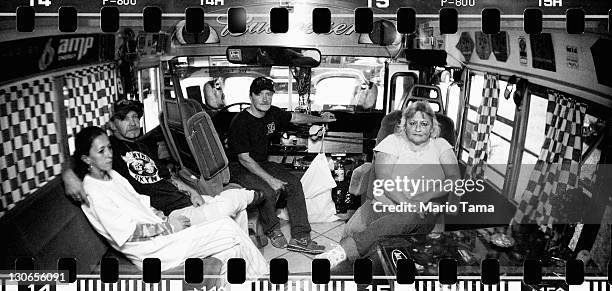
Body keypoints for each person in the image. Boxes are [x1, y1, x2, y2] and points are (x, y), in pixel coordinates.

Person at [73, 126, 268, 283]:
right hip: (151, 251)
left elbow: (140, 203)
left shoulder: (112, 175)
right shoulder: (93, 192)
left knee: (230, 250)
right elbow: (129, 233)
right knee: (227, 228)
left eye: (109, 147)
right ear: (86, 159)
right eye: (101, 151)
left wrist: (161, 216)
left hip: (162, 232)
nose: (108, 154)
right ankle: (264, 278)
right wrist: (169, 227)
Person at [62, 99, 261, 234]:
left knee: (239, 212)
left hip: (184, 200)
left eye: (135, 117)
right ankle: (248, 196)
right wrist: (67, 175)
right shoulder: (110, 149)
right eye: (124, 118)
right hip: (169, 212)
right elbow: (80, 155)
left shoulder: (142, 145)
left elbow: (168, 177)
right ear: (112, 125)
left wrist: (191, 191)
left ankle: (238, 263)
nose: (132, 122)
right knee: (231, 207)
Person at [315, 101, 461, 267]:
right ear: (404, 124)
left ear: (432, 126)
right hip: (386, 205)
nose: (418, 128)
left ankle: (344, 252)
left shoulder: (441, 145)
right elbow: (385, 179)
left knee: (409, 216)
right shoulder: (393, 141)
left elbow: (454, 179)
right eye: (413, 123)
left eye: (424, 123)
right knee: (382, 247)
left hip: (422, 212)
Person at [228, 77, 336, 254]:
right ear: (251, 96)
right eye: (260, 94)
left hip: (261, 162)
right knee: (267, 189)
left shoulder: (273, 113)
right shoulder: (240, 122)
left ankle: (301, 237)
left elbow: (295, 117)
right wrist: (271, 180)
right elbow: (244, 159)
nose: (265, 99)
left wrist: (321, 119)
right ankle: (272, 228)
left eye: (268, 94)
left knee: (294, 184)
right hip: (238, 167)